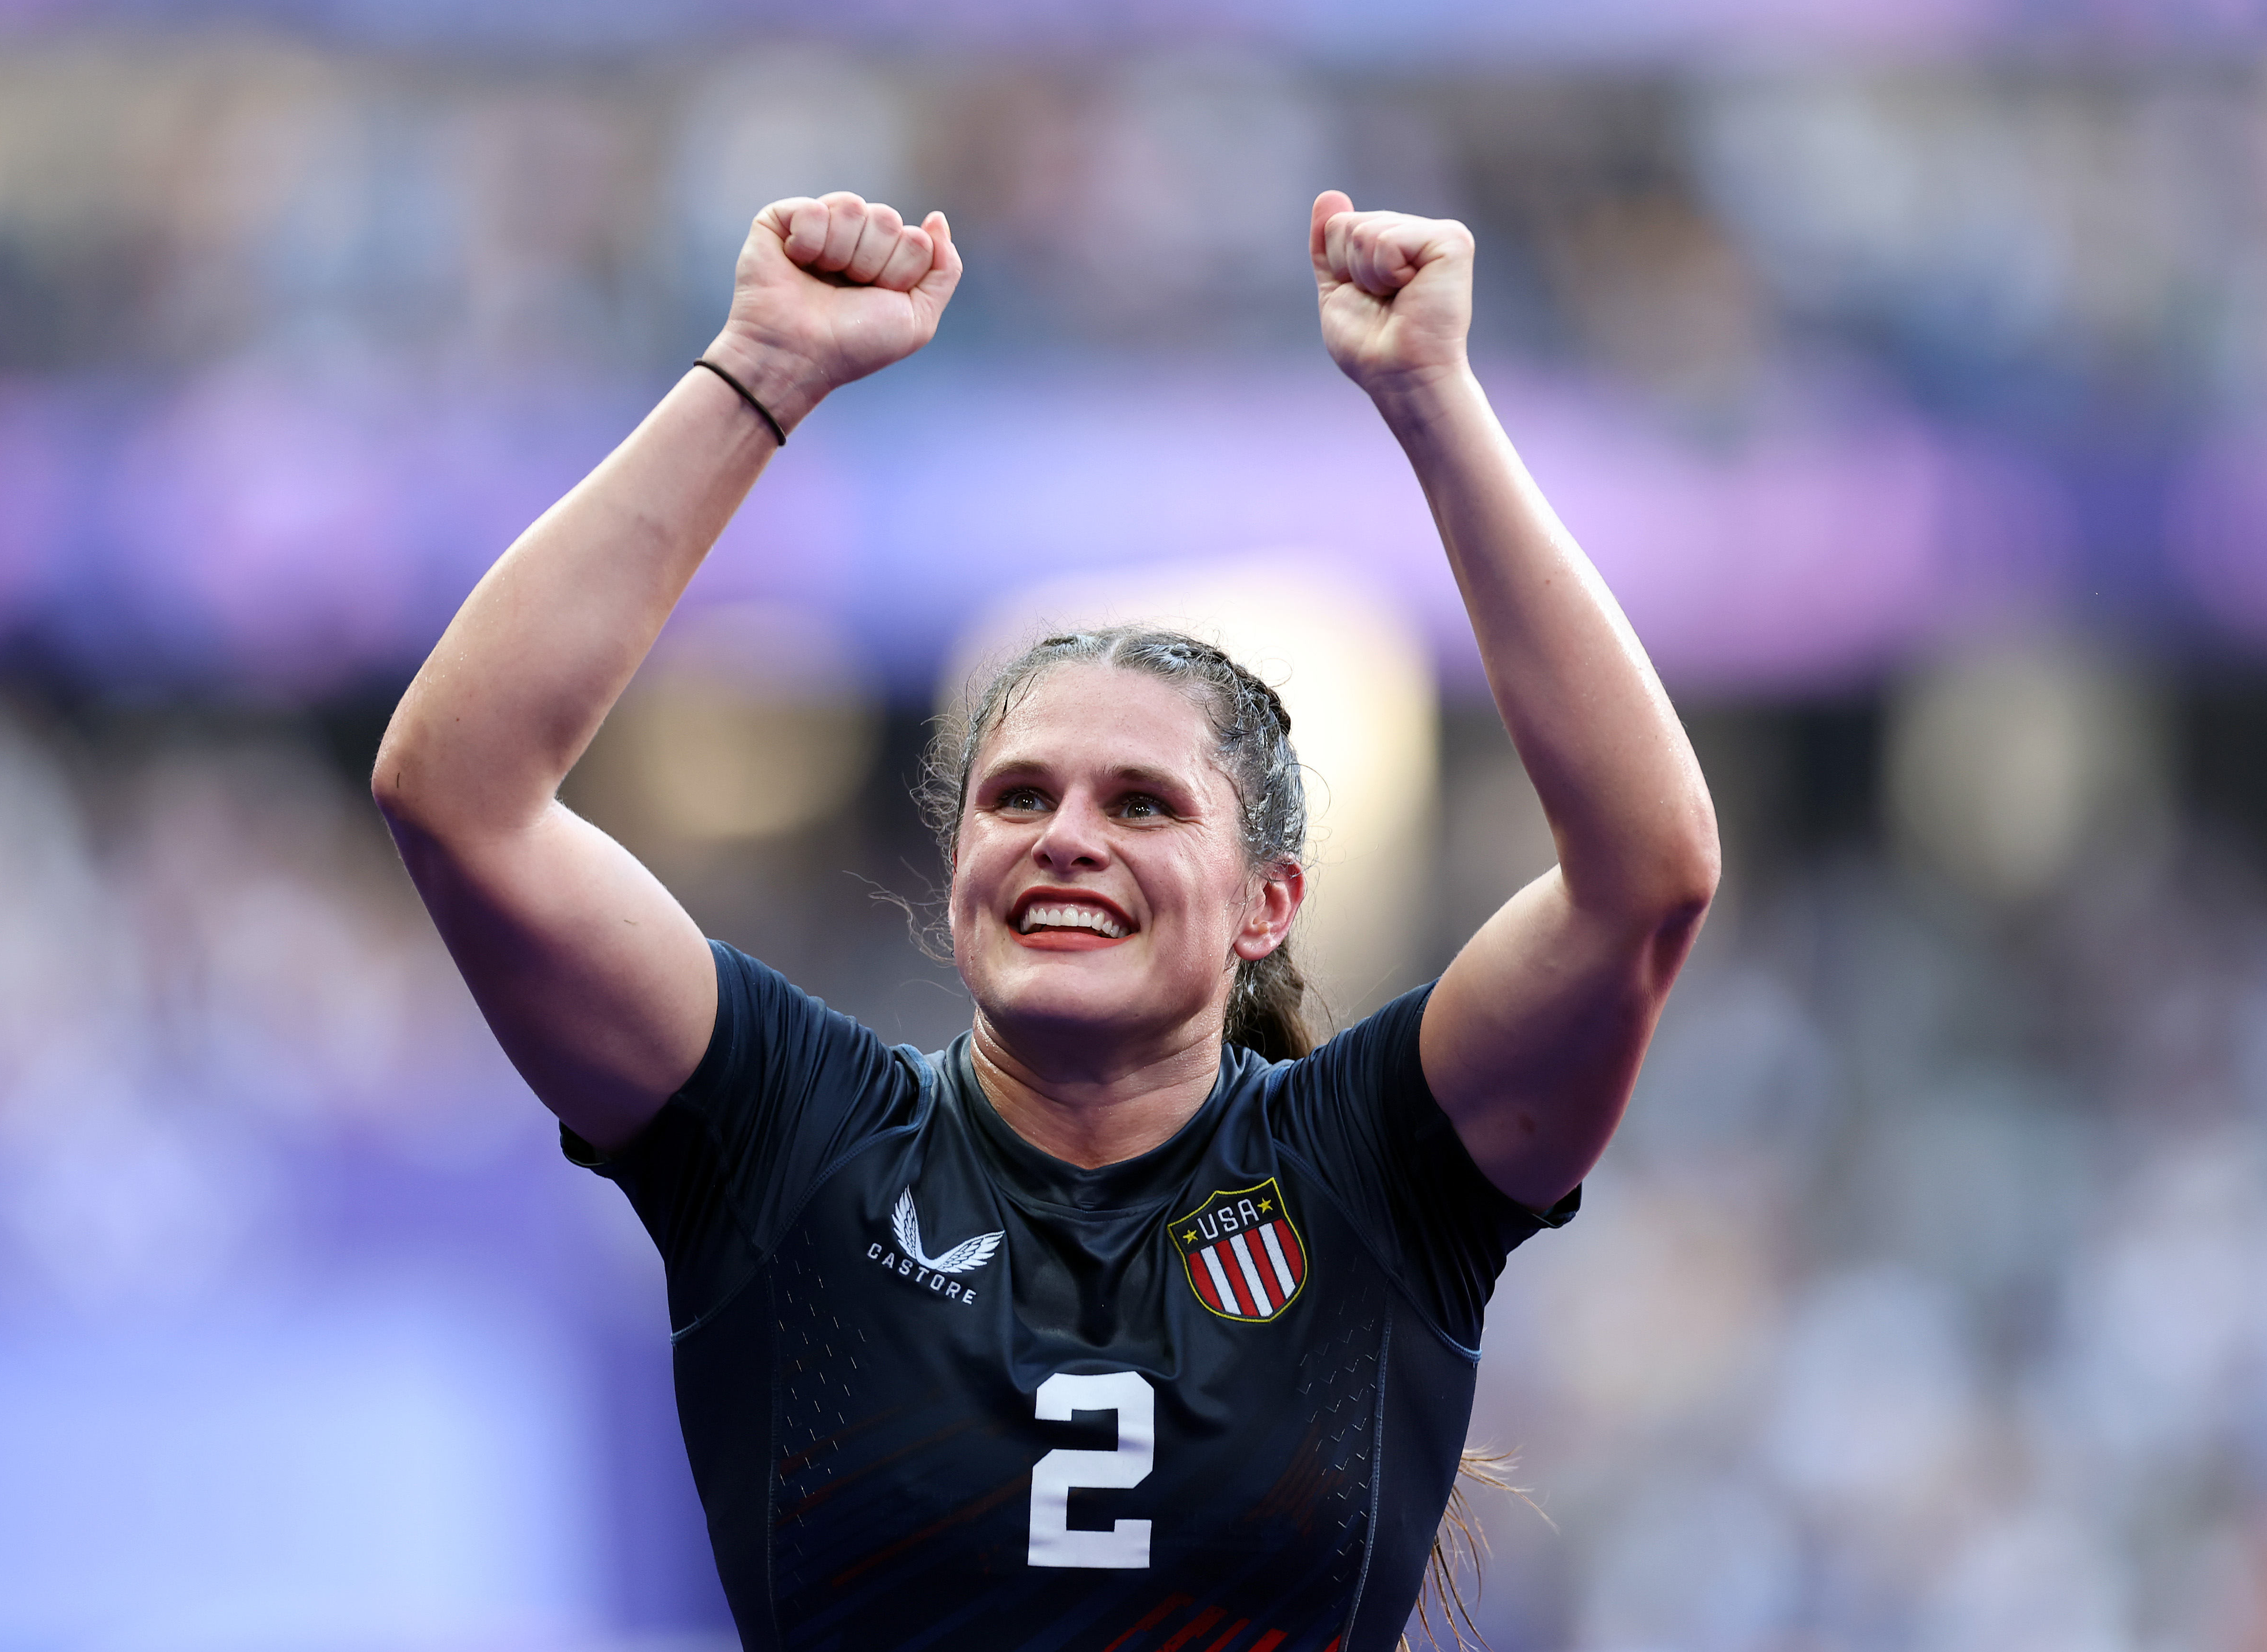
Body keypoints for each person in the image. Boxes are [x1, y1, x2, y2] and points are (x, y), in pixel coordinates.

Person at [374, 189, 1719, 1652]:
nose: (1067, 836)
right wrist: (758, 374)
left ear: (1269, 903)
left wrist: (1433, 403)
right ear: (957, 868)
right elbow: (460, 793)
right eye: (1018, 797)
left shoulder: (1371, 1172)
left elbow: (1644, 875)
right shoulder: (792, 1138)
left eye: (1142, 803)